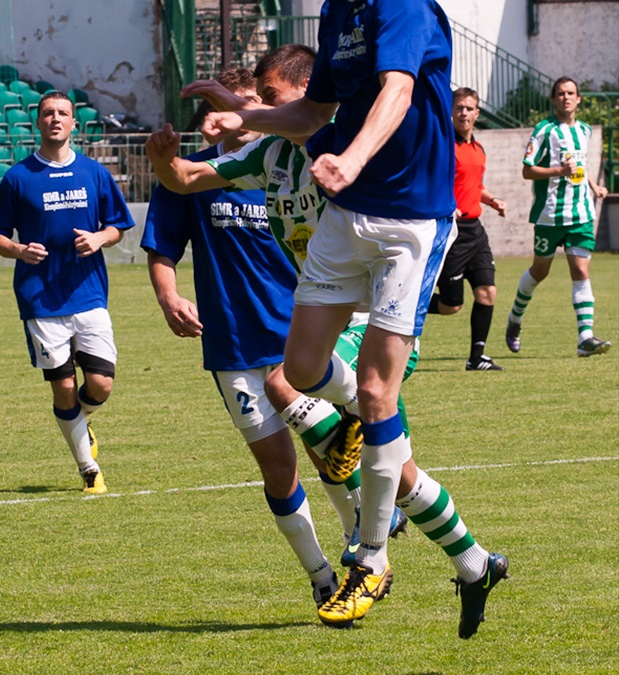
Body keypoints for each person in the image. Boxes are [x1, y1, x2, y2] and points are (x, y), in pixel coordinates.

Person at [158, 38, 507, 639]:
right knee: (403, 473)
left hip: (379, 318)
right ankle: (476, 564)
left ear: (306, 96)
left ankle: (367, 557)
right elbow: (187, 178)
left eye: (271, 98)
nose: (263, 110)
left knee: (286, 378)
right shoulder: (268, 156)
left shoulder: (347, 143)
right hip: (331, 318)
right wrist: (164, 158)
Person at [142, 65, 371, 617]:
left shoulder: (286, 163)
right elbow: (162, 248)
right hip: (233, 343)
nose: (245, 113)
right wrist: (169, 297)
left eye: (256, 102)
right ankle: (320, 575)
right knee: (278, 467)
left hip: (300, 331)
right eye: (238, 104)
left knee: (330, 451)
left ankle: (362, 543)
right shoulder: (196, 174)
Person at [0, 90, 135, 494]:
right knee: (64, 387)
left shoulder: (94, 173)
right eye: (48, 113)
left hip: (89, 293)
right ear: (38, 122)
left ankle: (78, 425)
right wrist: (19, 249)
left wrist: (100, 238)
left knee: (101, 385)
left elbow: (119, 225)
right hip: (40, 298)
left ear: (73, 124)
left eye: (62, 113)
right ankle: (89, 470)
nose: (55, 118)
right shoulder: (18, 177)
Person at [506, 76, 611, 358]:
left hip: (581, 214)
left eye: (571, 93)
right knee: (540, 272)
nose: (566, 97)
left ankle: (585, 337)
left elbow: (581, 165)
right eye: (561, 93)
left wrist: (594, 186)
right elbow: (527, 170)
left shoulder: (586, 130)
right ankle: (515, 318)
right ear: (554, 100)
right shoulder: (544, 130)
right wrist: (558, 172)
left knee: (581, 271)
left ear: (578, 99)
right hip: (550, 215)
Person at [428, 87, 508, 371]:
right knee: (452, 306)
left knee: (487, 292)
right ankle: (407, 304)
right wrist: (449, 206)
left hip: (476, 231)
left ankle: (477, 358)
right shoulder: (444, 146)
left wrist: (493, 200)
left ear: (477, 113)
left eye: (469, 108)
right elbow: (434, 183)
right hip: (452, 232)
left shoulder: (478, 149)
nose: (464, 113)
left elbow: (474, 186)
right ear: (451, 111)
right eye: (459, 107)